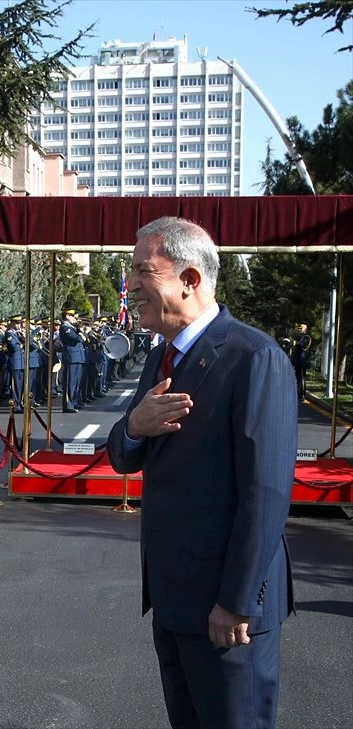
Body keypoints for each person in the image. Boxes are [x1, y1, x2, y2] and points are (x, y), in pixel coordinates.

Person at [106, 216, 296, 729]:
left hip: (226, 614)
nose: (131, 285)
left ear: (189, 279)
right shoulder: (160, 360)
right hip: (173, 602)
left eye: (143, 270)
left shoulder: (253, 358)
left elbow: (267, 493)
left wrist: (235, 604)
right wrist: (136, 427)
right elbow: (123, 458)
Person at [290, 323, 312, 402]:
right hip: (298, 361)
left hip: (302, 361)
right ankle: (298, 394)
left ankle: (302, 395)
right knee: (298, 378)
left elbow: (302, 345)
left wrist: (294, 343)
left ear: (305, 329)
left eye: (301, 328)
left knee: (302, 378)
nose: (299, 330)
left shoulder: (307, 337)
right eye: (298, 328)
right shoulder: (301, 337)